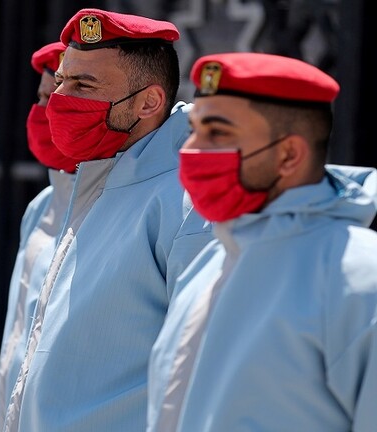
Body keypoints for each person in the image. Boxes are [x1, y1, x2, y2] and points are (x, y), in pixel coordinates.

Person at [1, 9, 213, 431]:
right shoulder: (87, 187)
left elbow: (199, 374)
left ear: (148, 102)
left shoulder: (187, 205)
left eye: (84, 85)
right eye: (61, 81)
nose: (60, 99)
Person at [147, 52, 377, 431]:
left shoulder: (359, 277)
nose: (190, 150)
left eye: (218, 133)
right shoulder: (211, 261)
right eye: (194, 130)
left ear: (289, 155)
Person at [0, 41, 80, 430]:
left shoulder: (142, 204)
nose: (45, 112)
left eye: (59, 99)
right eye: (43, 98)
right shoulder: (42, 206)